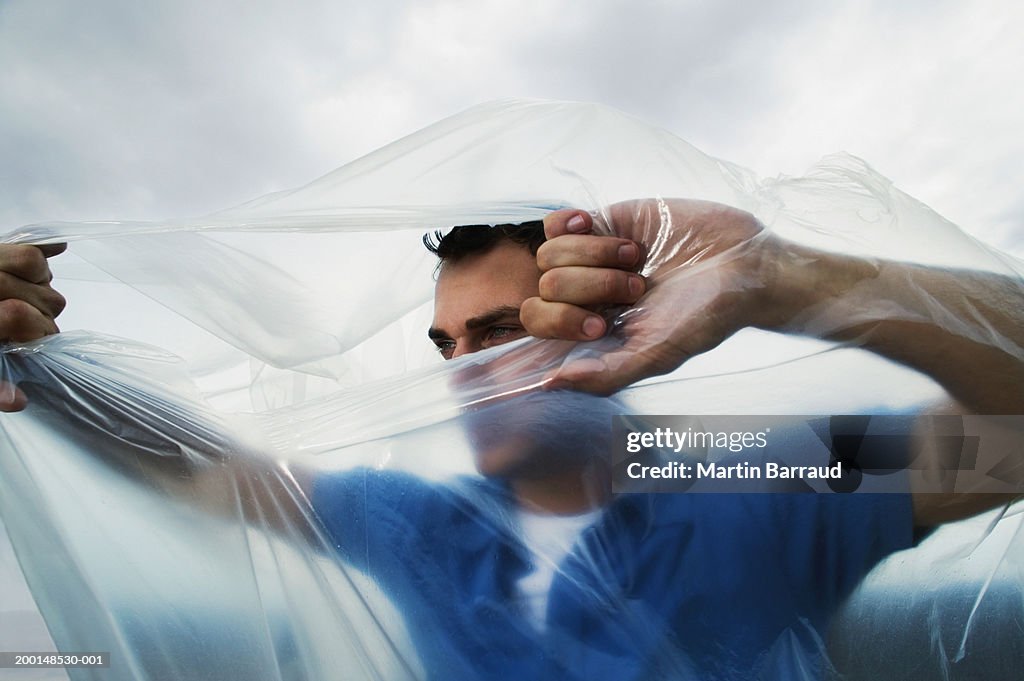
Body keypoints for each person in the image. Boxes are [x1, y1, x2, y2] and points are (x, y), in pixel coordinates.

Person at [1, 198, 1022, 679]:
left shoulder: (747, 477)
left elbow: (1010, 436)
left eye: (496, 337)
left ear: (619, 329)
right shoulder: (421, 527)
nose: (464, 379)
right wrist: (33, 359)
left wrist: (785, 280)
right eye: (446, 347)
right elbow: (204, 474)